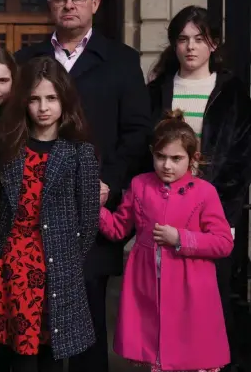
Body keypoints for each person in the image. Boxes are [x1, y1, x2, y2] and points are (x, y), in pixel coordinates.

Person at [14, 0, 151, 372]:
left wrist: (108, 182)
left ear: (95, 3)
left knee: (88, 321)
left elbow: (138, 132)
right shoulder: (27, 60)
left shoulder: (122, 60)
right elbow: (13, 131)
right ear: (51, 4)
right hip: (36, 211)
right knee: (39, 325)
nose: (68, 4)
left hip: (94, 210)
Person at [148, 5, 251, 371]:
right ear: (174, 45)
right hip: (165, 213)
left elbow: (238, 163)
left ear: (214, 44)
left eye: (199, 39)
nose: (190, 47)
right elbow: (148, 154)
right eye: (182, 39)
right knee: (166, 306)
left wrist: (217, 215)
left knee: (211, 305)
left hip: (213, 216)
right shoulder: (158, 92)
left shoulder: (233, 93)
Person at [0, 56, 100, 372]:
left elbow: (89, 218)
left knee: (53, 354)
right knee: (17, 356)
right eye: (34, 99)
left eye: (51, 98)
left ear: (64, 100)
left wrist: (69, 259)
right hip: (14, 265)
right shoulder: (9, 148)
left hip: (58, 266)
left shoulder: (79, 153)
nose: (43, 107)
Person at [99, 110, 233, 372]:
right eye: (160, 157)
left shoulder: (205, 192)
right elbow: (118, 229)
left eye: (176, 158)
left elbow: (223, 242)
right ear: (152, 153)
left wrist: (180, 238)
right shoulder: (140, 185)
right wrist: (97, 209)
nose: (167, 165)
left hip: (191, 291)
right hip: (148, 288)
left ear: (192, 159)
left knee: (193, 357)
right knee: (157, 356)